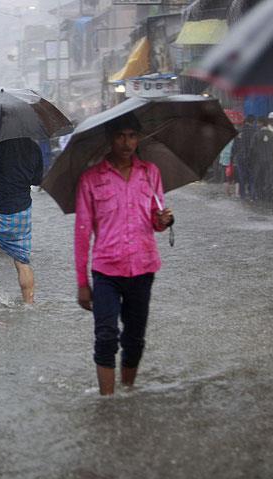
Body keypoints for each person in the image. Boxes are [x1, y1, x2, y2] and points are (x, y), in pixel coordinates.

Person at [75, 115, 174, 396]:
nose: (127, 142)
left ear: (139, 138)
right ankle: (107, 403)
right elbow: (82, 232)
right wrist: (82, 282)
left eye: (132, 136)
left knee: (135, 339)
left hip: (143, 268)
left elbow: (155, 221)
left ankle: (128, 395)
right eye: (120, 136)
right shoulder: (91, 179)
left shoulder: (150, 173)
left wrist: (163, 221)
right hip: (106, 270)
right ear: (110, 138)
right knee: (106, 336)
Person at [0, 138, 43, 304]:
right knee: (22, 261)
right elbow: (37, 180)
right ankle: (29, 305)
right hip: (22, 214)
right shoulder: (33, 146)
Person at [249, 112, 273, 202]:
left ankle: (260, 197)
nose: (257, 124)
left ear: (261, 123)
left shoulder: (256, 134)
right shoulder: (272, 135)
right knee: (269, 180)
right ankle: (268, 198)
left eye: (258, 123)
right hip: (270, 161)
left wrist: (251, 161)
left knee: (259, 179)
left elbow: (252, 149)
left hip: (259, 161)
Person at [232, 114, 256, 200]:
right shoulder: (254, 131)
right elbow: (254, 146)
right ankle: (252, 195)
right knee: (252, 177)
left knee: (241, 177)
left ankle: (243, 195)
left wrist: (233, 157)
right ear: (253, 122)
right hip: (251, 158)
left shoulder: (239, 131)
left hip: (240, 157)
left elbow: (234, 146)